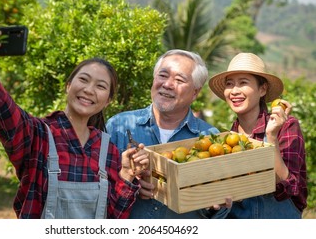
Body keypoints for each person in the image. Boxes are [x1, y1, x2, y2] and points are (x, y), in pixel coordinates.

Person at [0, 22, 149, 219]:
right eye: (83, 80)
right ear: (69, 85)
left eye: (100, 86)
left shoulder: (107, 150)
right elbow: (3, 109)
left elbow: (114, 218)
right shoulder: (37, 135)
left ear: (108, 100)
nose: (89, 90)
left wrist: (127, 174)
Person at [106, 49, 231, 219]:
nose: (167, 84)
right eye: (163, 75)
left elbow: (212, 209)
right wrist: (130, 186)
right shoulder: (118, 126)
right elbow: (99, 193)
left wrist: (214, 205)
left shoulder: (210, 138)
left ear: (195, 92)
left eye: (179, 80)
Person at [208, 52, 307, 218]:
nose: (234, 91)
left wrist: (271, 137)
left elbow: (289, 188)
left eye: (243, 83)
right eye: (230, 84)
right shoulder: (227, 139)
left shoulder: (286, 127)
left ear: (262, 89)